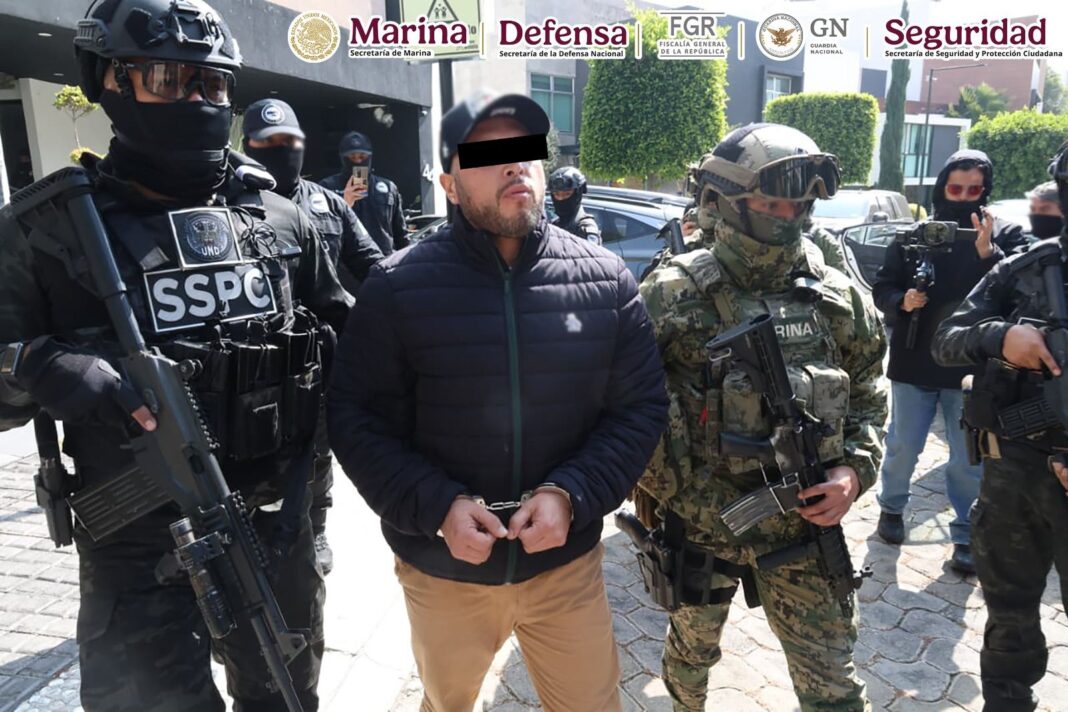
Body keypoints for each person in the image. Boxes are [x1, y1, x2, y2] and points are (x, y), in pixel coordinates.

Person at [0, 1, 352, 708]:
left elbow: (345, 344)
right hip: (137, 546)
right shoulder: (45, 229)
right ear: (107, 80)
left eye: (213, 84)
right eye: (167, 79)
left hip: (276, 525)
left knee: (285, 698)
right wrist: (35, 365)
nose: (196, 100)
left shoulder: (281, 218)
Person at [327, 91, 668, 712]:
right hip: (444, 573)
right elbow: (355, 419)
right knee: (446, 704)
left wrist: (571, 494)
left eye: (525, 151)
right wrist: (438, 507)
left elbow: (639, 409)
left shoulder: (607, 280)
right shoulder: (397, 288)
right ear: (449, 186)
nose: (515, 165)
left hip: (565, 569)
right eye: (487, 155)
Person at [638, 123, 887, 712]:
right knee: (690, 661)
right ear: (725, 202)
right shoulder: (671, 295)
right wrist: (675, 491)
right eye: (770, 203)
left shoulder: (839, 296)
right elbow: (622, 405)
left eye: (798, 205)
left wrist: (853, 472)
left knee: (834, 684)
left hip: (804, 528)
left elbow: (869, 391)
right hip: (703, 525)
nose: (788, 216)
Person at [931, 143, 1068, 712]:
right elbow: (946, 341)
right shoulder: (1030, 269)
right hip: (1015, 473)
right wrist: (999, 337)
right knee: (1009, 612)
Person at [241, 97, 383, 575]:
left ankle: (315, 527)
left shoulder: (328, 203)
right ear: (247, 147)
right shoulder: (229, 205)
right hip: (256, 357)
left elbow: (371, 263)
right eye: (268, 143)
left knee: (317, 444)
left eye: (289, 141)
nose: (282, 151)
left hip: (320, 349)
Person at [871, 148, 1024, 574]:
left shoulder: (1005, 234)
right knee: (903, 446)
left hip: (972, 367)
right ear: (942, 187)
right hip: (914, 360)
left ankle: (965, 533)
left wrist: (988, 253)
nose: (964, 197)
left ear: (986, 190)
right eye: (956, 189)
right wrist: (902, 300)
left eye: (974, 190)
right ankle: (891, 508)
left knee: (967, 458)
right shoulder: (915, 234)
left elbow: (1020, 292)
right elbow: (882, 287)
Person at [319, 131, 408, 255]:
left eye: (362, 156)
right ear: (343, 158)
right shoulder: (327, 187)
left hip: (383, 260)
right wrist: (344, 203)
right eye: (352, 157)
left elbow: (400, 234)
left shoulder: (388, 188)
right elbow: (322, 231)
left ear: (370, 157)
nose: (358, 161)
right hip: (347, 262)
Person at [547, 166, 601, 244]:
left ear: (578, 193)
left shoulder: (585, 228)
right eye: (556, 194)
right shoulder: (554, 225)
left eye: (567, 194)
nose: (561, 199)